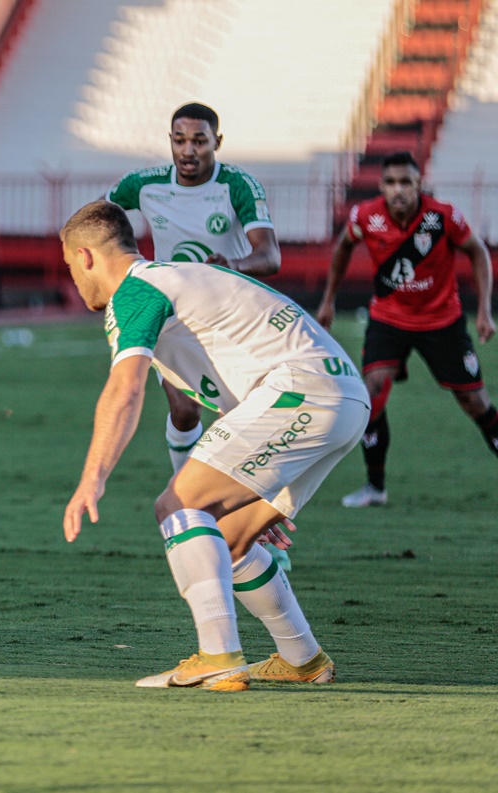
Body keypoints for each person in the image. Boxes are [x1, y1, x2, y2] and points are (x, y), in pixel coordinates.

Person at [60, 200, 369, 690]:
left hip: (301, 391)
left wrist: (92, 477)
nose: (75, 281)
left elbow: (125, 388)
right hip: (344, 398)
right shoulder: (175, 281)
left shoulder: (136, 291)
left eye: (70, 267)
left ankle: (218, 655)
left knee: (179, 505)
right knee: (229, 536)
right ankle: (302, 658)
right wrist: (251, 479)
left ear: (86, 256)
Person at [106, 102, 288, 567]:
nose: (188, 150)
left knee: (246, 418)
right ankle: (193, 507)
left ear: (217, 143)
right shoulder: (142, 185)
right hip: (177, 315)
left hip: (233, 316)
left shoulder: (237, 186)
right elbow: (100, 225)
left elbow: (269, 257)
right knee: (183, 409)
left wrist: (234, 266)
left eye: (199, 141)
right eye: (179, 140)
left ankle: (260, 523)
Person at [316, 151, 496, 507]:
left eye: (406, 183)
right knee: (371, 394)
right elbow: (342, 248)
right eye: (391, 183)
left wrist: (485, 310)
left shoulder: (443, 217)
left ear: (419, 185)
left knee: (475, 401)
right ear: (382, 186)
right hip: (389, 318)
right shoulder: (365, 216)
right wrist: (328, 300)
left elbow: (478, 252)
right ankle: (375, 488)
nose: (398, 190)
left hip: (442, 320)